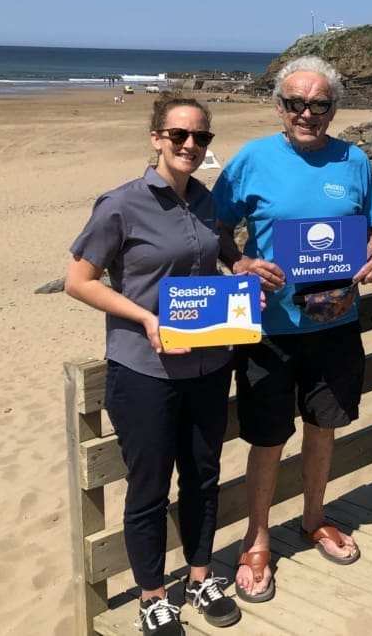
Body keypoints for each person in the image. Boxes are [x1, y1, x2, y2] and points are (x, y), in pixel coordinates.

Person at [213, 56, 372, 602]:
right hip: (268, 328)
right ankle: (258, 537)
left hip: (335, 325)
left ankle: (314, 518)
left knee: (323, 426)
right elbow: (216, 230)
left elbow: (369, 236)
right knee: (267, 438)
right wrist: (239, 264)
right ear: (280, 106)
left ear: (333, 108)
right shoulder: (251, 159)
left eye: (318, 104)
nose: (306, 113)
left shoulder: (354, 161)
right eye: (295, 103)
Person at [65, 98, 241, 634]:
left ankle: (200, 575)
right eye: (179, 135)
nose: (190, 145)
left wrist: (246, 268)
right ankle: (151, 595)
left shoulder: (210, 202)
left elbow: (222, 257)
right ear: (155, 137)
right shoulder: (121, 204)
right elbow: (79, 281)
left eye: (201, 138)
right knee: (148, 486)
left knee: (204, 477)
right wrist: (146, 318)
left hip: (210, 365)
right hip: (144, 372)